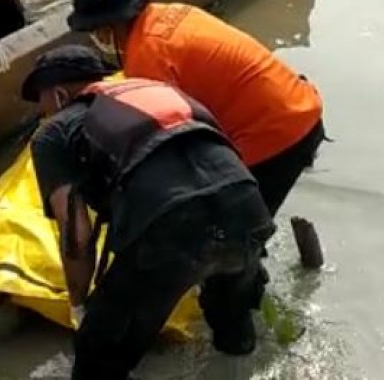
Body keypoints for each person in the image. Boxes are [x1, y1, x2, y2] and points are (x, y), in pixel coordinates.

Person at [22, 45, 275, 380]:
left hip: (174, 226)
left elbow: (77, 235)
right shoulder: (160, 91)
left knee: (99, 356)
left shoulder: (53, 132)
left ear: (57, 96)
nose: (42, 114)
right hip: (247, 209)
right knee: (234, 337)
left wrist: (81, 306)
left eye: (41, 104)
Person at [65, 0, 326, 216]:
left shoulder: (148, 56)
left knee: (229, 233)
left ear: (107, 27)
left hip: (273, 137)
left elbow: (163, 143)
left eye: (94, 31)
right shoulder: (174, 12)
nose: (96, 38)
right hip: (301, 107)